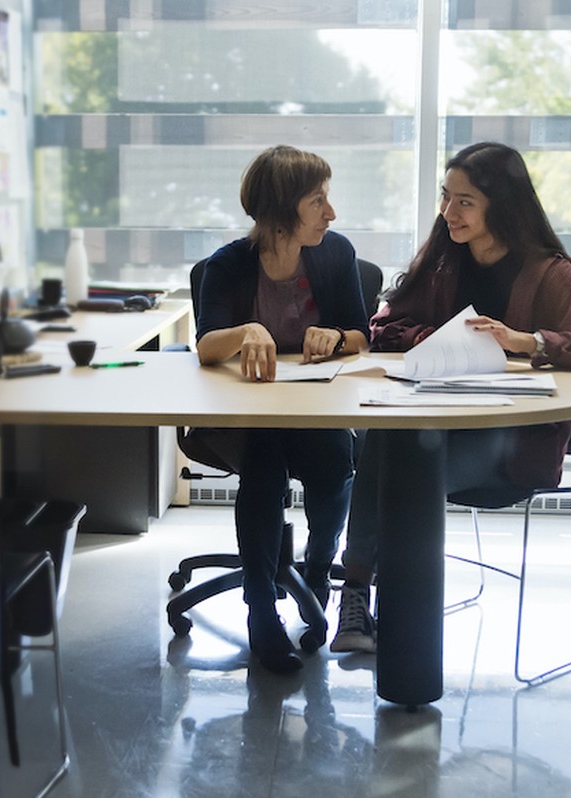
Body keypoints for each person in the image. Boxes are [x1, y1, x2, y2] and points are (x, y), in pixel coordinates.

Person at [329, 141, 571, 654]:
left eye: (464, 201)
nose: (448, 213)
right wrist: (435, 338)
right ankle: (359, 599)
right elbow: (384, 323)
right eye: (446, 198)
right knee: (386, 440)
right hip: (436, 422)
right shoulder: (446, 260)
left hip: (509, 441)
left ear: (501, 205)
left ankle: (381, 613)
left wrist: (525, 341)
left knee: (404, 474)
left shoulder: (548, 272)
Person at [195, 145, 370, 673]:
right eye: (317, 200)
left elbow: (362, 338)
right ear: (280, 210)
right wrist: (247, 330)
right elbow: (205, 347)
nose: (330, 213)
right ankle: (260, 611)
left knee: (335, 463)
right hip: (251, 412)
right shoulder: (228, 264)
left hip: (315, 406)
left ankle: (318, 571)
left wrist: (335, 336)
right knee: (263, 474)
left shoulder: (334, 254)